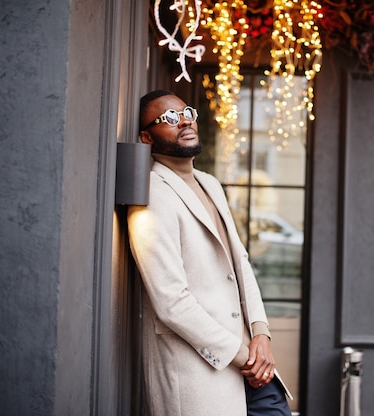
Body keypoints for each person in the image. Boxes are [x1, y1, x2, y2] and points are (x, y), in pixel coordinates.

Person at [127, 89, 292, 416]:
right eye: (170, 118)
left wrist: (261, 332)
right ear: (146, 137)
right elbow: (171, 302)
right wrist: (246, 357)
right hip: (205, 373)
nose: (184, 121)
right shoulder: (152, 195)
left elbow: (240, 264)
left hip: (253, 368)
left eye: (187, 112)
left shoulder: (209, 184)